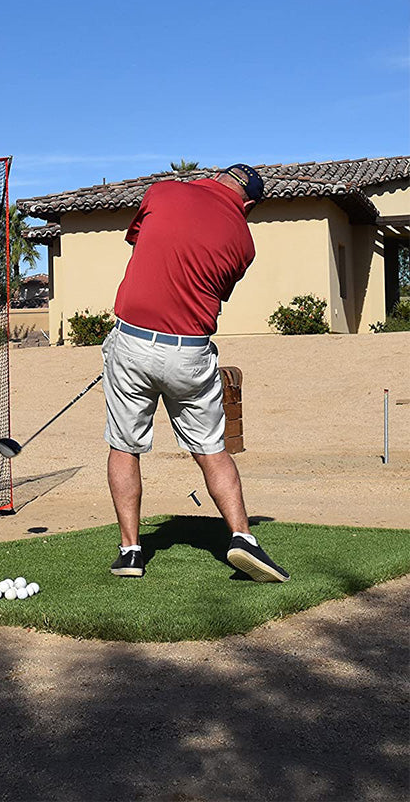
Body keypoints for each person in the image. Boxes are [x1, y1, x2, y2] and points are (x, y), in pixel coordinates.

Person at [102, 163, 289, 582]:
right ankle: (243, 538)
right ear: (250, 203)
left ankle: (131, 552)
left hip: (132, 341)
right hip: (190, 351)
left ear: (216, 177)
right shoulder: (244, 241)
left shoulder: (163, 192)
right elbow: (214, 288)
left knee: (124, 445)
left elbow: (140, 244)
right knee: (210, 449)